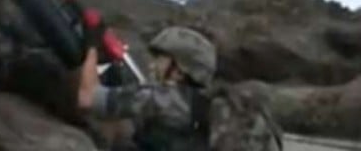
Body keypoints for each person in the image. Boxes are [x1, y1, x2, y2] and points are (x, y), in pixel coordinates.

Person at [76, 27, 282, 151]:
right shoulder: (218, 103)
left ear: (180, 70)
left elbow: (87, 97)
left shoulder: (165, 99)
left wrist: (92, 47)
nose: (152, 65)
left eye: (161, 60)